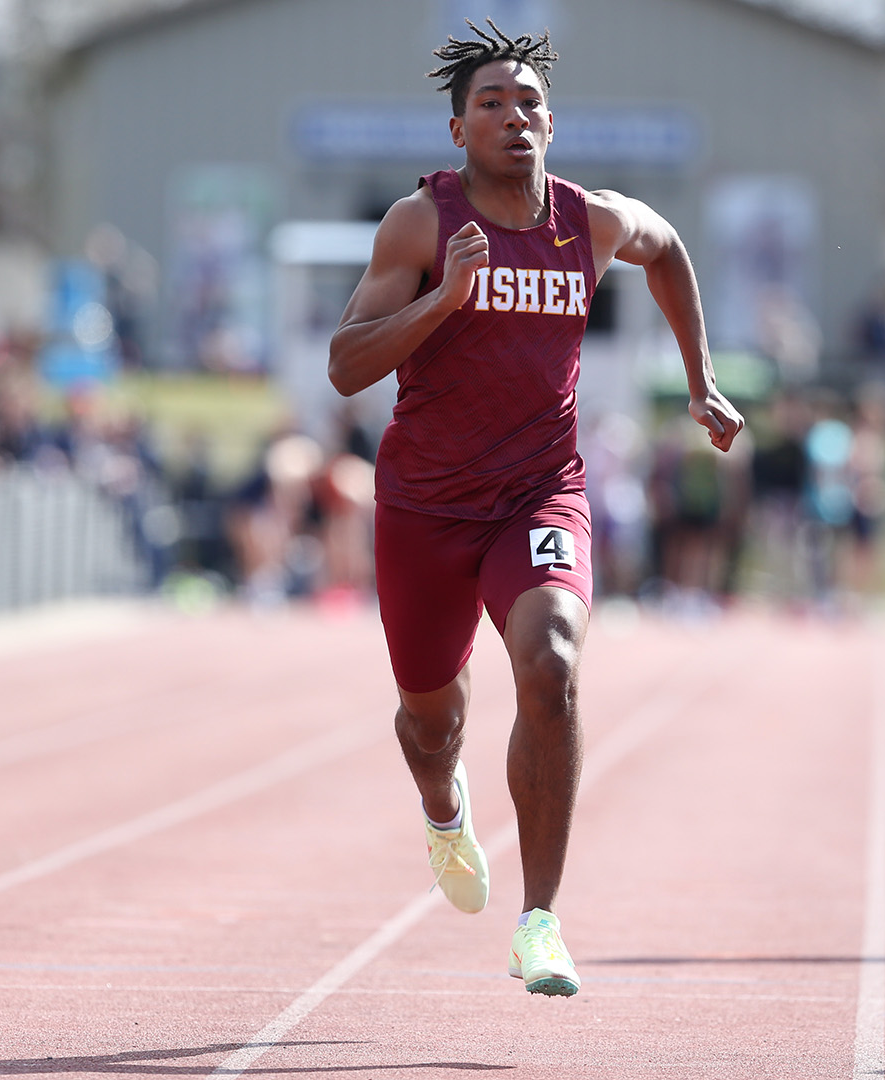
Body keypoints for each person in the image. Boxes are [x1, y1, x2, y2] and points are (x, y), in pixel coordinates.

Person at [328, 20, 743, 997]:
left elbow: (669, 247)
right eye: (492, 105)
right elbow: (346, 366)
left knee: (551, 663)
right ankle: (443, 808)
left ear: (552, 122)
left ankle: (541, 920)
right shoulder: (420, 224)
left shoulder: (586, 220)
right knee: (433, 724)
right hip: (426, 505)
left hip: (537, 490)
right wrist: (444, 300)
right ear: (457, 130)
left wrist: (702, 381)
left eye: (529, 103)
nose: (515, 117)